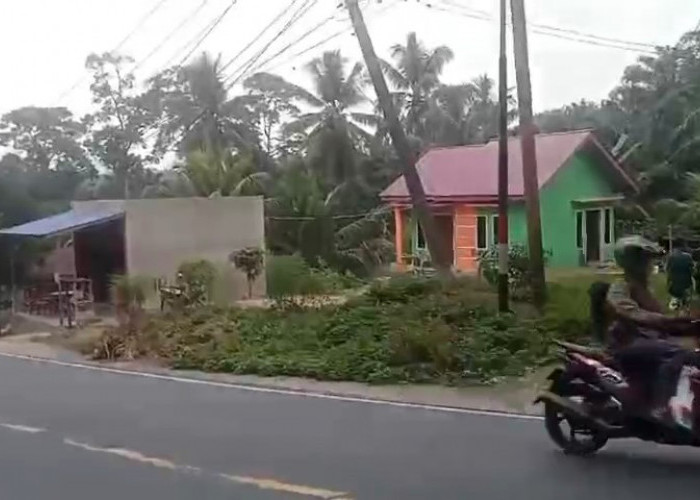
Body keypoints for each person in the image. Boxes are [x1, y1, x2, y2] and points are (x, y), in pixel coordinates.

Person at [606, 236, 699, 424]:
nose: (648, 264)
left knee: (691, 355)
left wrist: (688, 324)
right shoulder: (620, 286)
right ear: (632, 262)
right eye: (644, 259)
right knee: (677, 354)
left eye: (648, 259)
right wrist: (667, 320)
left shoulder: (646, 289)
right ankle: (661, 407)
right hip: (628, 343)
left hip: (648, 340)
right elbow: (631, 312)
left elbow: (663, 321)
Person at [666, 246, 694, 314]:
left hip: (674, 281)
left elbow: (667, 269)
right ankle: (685, 308)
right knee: (685, 296)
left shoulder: (671, 257)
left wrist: (669, 280)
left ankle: (677, 306)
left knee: (676, 295)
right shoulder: (688, 257)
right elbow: (692, 269)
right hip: (686, 281)